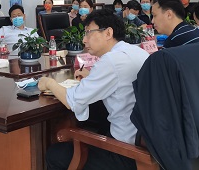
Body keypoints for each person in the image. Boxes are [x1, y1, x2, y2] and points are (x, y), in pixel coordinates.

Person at [39, 9, 148, 170]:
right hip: (147, 144)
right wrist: (92, 77)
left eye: (89, 32)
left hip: (126, 153)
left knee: (55, 154)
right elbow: (120, 80)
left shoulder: (111, 60)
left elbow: (73, 101)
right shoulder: (136, 51)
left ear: (108, 33)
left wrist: (49, 83)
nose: (84, 39)